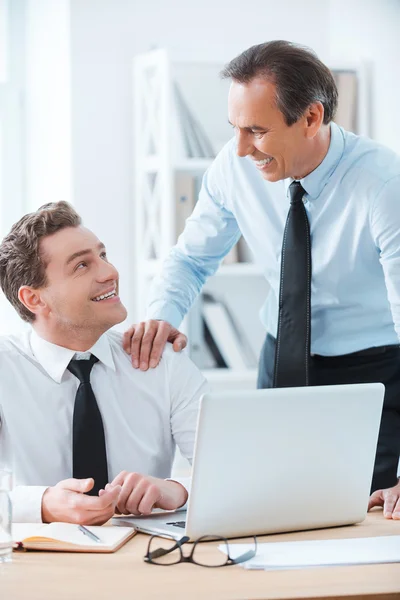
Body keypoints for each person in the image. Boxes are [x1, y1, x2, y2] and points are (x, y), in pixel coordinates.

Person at [123, 40, 400, 514]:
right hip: (280, 359)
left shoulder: (383, 184)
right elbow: (190, 258)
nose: (240, 148)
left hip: (370, 373)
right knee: (269, 503)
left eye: (256, 130)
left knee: (364, 514)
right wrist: (162, 317)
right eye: (235, 128)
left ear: (312, 118)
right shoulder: (235, 169)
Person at [0, 202, 208, 524]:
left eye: (103, 255)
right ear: (34, 299)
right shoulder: (5, 370)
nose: (110, 273)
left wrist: (177, 490)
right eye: (82, 266)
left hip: (147, 561)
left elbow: (237, 474)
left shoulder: (162, 361)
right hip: (34, 565)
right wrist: (40, 504)